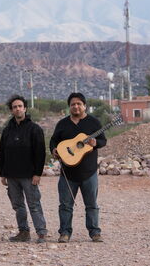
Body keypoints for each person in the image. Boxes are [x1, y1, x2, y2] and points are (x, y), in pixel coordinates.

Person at [50, 92, 107, 243]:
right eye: (73, 104)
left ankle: (95, 232)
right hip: (67, 174)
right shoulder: (62, 124)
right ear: (69, 107)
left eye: (79, 104)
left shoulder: (93, 122)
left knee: (92, 205)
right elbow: (53, 141)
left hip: (89, 172)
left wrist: (96, 144)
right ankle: (65, 233)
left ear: (84, 106)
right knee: (65, 206)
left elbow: (103, 140)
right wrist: (54, 150)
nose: (76, 107)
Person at [0, 95, 48, 243]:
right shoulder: (7, 130)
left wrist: (37, 173)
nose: (18, 109)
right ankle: (23, 232)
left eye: (20, 106)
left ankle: (41, 233)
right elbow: (2, 152)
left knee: (34, 204)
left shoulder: (34, 129)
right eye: (14, 107)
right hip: (12, 175)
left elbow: (40, 153)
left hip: (29, 175)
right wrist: (2, 173)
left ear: (25, 108)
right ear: (12, 110)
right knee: (18, 205)